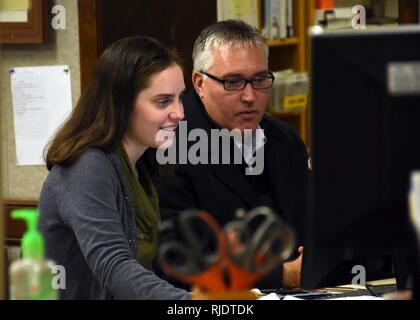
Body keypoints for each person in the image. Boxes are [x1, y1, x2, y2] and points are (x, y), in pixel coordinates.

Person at [158, 20, 309, 289]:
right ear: (200, 83)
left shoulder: (285, 140)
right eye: (233, 82)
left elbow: (313, 225)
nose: (250, 96)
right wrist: (284, 276)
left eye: (260, 80)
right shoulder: (171, 148)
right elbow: (180, 263)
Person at [38, 36, 190, 300]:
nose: (179, 113)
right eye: (163, 101)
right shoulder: (87, 166)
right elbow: (114, 266)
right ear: (122, 104)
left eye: (180, 99)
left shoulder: (143, 162)